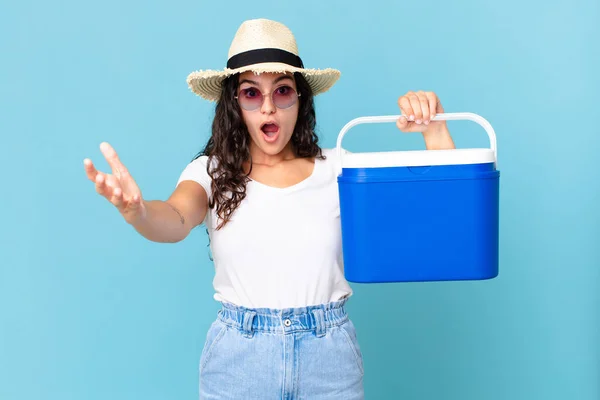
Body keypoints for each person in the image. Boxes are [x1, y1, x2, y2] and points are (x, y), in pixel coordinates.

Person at [83, 18, 456, 400]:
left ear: (300, 99)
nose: (268, 108)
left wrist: (436, 129)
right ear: (234, 102)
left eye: (282, 91)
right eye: (251, 93)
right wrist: (139, 211)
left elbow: (431, 219)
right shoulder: (210, 173)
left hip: (329, 361)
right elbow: (176, 218)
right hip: (238, 362)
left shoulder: (339, 168)